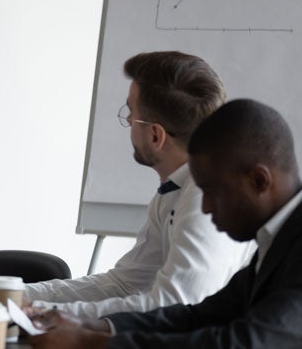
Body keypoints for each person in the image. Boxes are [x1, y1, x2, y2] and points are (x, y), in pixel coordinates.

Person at [0, 51, 252, 318]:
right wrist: (16, 293)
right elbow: (123, 284)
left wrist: (42, 310)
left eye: (132, 113)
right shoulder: (173, 190)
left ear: (156, 136)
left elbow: (171, 308)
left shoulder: (205, 200)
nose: (128, 120)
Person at [28, 98, 302, 348]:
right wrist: (95, 326)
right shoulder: (278, 238)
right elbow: (199, 316)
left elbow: (242, 343)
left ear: (259, 181)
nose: (205, 208)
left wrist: (94, 343)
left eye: (212, 191)